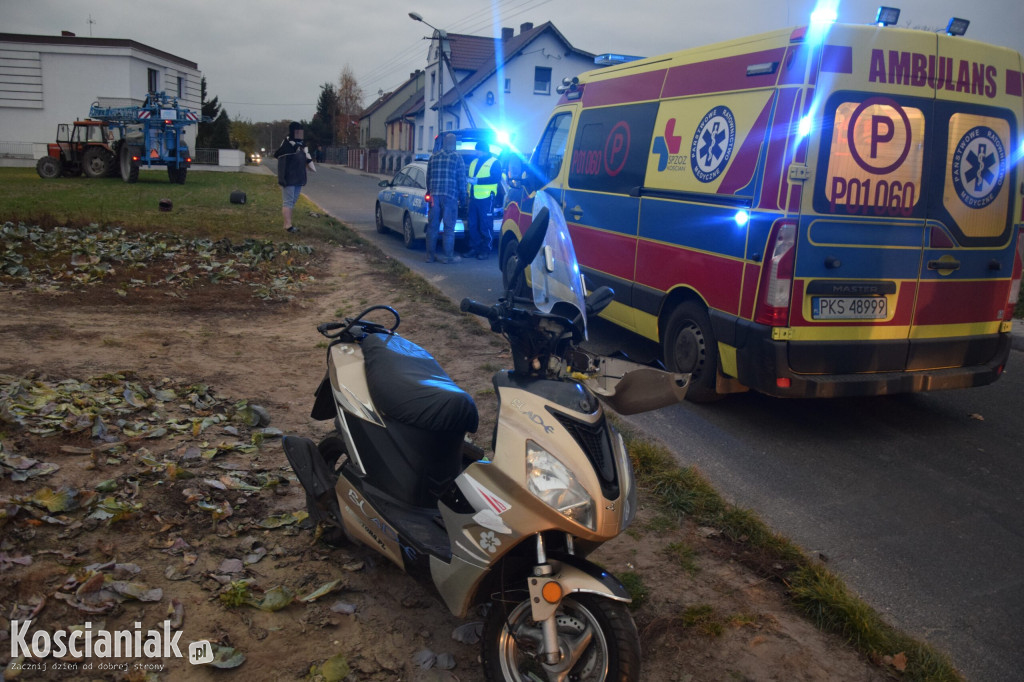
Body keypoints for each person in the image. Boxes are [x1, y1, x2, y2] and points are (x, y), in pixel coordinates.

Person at [424, 133, 467, 263]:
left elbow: (428, 177)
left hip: (434, 198)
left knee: (433, 227)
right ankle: (448, 256)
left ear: (443, 143)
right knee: (449, 228)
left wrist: (430, 192)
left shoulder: (433, 157)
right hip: (450, 197)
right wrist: (463, 197)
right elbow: (461, 180)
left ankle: (430, 257)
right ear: (453, 143)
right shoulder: (457, 158)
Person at [273, 121, 316, 233]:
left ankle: (288, 223)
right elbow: (280, 157)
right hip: (289, 177)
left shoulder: (302, 145)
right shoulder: (286, 144)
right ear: (293, 131)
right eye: (298, 131)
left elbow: (306, 159)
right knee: (288, 201)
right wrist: (282, 178)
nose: (300, 134)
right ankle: (288, 225)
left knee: (293, 201)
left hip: (299, 177)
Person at [464, 141, 502, 259]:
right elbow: (471, 178)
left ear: (484, 151)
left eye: (477, 150)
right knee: (473, 224)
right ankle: (475, 248)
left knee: (485, 224)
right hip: (473, 197)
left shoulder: (494, 162)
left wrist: (478, 181)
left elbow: (496, 178)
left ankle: (486, 250)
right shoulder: (474, 162)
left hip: (486, 198)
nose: (476, 152)